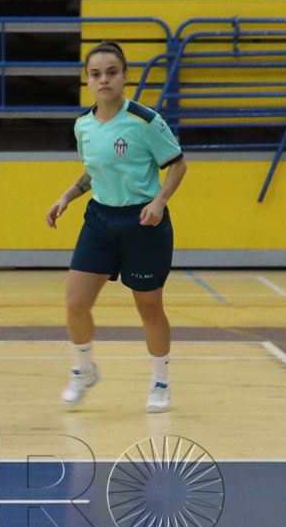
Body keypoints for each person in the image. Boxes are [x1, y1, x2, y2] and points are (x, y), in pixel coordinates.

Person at [44, 41, 188, 413]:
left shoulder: (145, 121)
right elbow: (95, 170)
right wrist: (66, 196)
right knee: (76, 303)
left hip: (143, 222)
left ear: (124, 77)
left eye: (111, 72)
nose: (103, 79)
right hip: (100, 220)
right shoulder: (83, 126)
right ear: (87, 81)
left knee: (149, 308)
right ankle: (84, 369)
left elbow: (178, 165)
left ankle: (161, 381)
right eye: (95, 74)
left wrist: (159, 201)